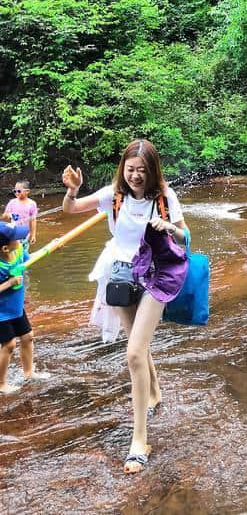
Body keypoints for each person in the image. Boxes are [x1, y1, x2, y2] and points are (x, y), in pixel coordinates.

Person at [61, 139, 189, 474]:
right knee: (139, 344)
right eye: (130, 170)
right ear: (123, 169)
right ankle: (156, 392)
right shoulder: (113, 195)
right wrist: (72, 191)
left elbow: (185, 237)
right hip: (119, 272)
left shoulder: (164, 196)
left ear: (152, 171)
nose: (135, 176)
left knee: (133, 353)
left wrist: (169, 227)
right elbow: (70, 211)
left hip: (156, 275)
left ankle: (139, 440)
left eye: (142, 171)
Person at [0, 226, 50, 394]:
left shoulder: (19, 250)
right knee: (9, 344)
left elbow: (31, 259)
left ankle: (29, 373)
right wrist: (9, 283)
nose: (20, 240)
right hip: (1, 312)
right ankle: (1, 384)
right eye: (16, 238)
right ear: (5, 248)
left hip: (16, 307)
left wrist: (49, 248)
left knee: (28, 337)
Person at [2, 180, 37, 245]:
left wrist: (33, 235)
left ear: (27, 191)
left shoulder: (32, 204)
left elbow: (33, 220)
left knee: (24, 248)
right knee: (14, 249)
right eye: (15, 191)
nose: (16, 193)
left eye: (19, 191)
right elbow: (4, 215)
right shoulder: (12, 202)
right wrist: (9, 215)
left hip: (25, 232)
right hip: (14, 232)